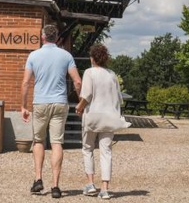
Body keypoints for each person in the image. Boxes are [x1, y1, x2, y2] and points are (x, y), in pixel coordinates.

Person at [21, 24, 82, 198]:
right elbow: (77, 81)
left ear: (42, 37)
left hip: (40, 103)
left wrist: (23, 106)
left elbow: (25, 83)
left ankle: (38, 179)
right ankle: (55, 186)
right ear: (56, 38)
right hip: (60, 103)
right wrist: (81, 102)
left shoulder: (33, 55)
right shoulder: (66, 55)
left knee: (38, 141)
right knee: (57, 143)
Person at [75, 44, 129, 200]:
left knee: (87, 148)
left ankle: (91, 183)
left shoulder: (89, 72)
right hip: (109, 117)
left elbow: (87, 95)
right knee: (106, 152)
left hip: (93, 116)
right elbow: (118, 98)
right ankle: (105, 188)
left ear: (92, 58)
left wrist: (79, 107)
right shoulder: (112, 74)